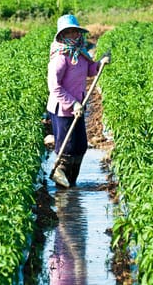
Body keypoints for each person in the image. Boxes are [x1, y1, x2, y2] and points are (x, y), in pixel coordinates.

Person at [46, 14, 111, 188]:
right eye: (69, 32)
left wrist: (99, 64)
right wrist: (72, 103)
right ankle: (62, 186)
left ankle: (72, 184)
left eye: (75, 31)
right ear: (62, 36)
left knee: (81, 146)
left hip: (79, 106)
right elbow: (54, 87)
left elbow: (89, 70)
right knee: (67, 148)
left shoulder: (80, 53)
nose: (74, 35)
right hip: (63, 108)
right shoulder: (59, 57)